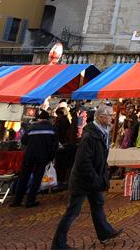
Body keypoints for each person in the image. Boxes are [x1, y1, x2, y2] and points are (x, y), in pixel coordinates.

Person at [51, 104, 121, 249]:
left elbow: (99, 158)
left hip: (93, 178)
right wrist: (96, 178)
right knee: (73, 211)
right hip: (83, 180)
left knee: (98, 205)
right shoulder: (90, 136)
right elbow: (84, 161)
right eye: (110, 116)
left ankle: (105, 232)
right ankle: (58, 244)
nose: (112, 119)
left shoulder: (102, 132)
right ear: (101, 117)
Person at [10, 110, 58, 208]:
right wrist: (50, 158)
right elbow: (54, 146)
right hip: (42, 157)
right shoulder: (52, 129)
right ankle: (30, 201)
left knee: (23, 178)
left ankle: (17, 200)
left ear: (40, 119)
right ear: (48, 119)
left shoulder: (32, 128)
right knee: (37, 179)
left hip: (29, 156)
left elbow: (23, 141)